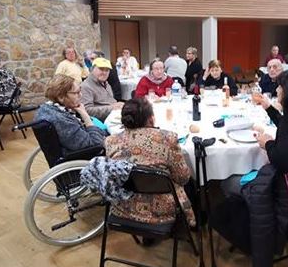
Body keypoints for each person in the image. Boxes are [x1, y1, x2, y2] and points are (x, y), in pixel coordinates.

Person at [105, 98, 195, 226]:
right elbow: (183, 178)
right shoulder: (167, 139)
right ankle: (190, 224)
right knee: (189, 182)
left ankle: (148, 235)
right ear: (151, 119)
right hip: (163, 208)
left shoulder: (110, 141)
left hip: (124, 206)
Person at [35, 74, 107, 154]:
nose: (81, 95)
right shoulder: (60, 120)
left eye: (80, 91)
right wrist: (85, 116)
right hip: (87, 155)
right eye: (77, 93)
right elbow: (95, 144)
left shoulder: (49, 109)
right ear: (61, 97)